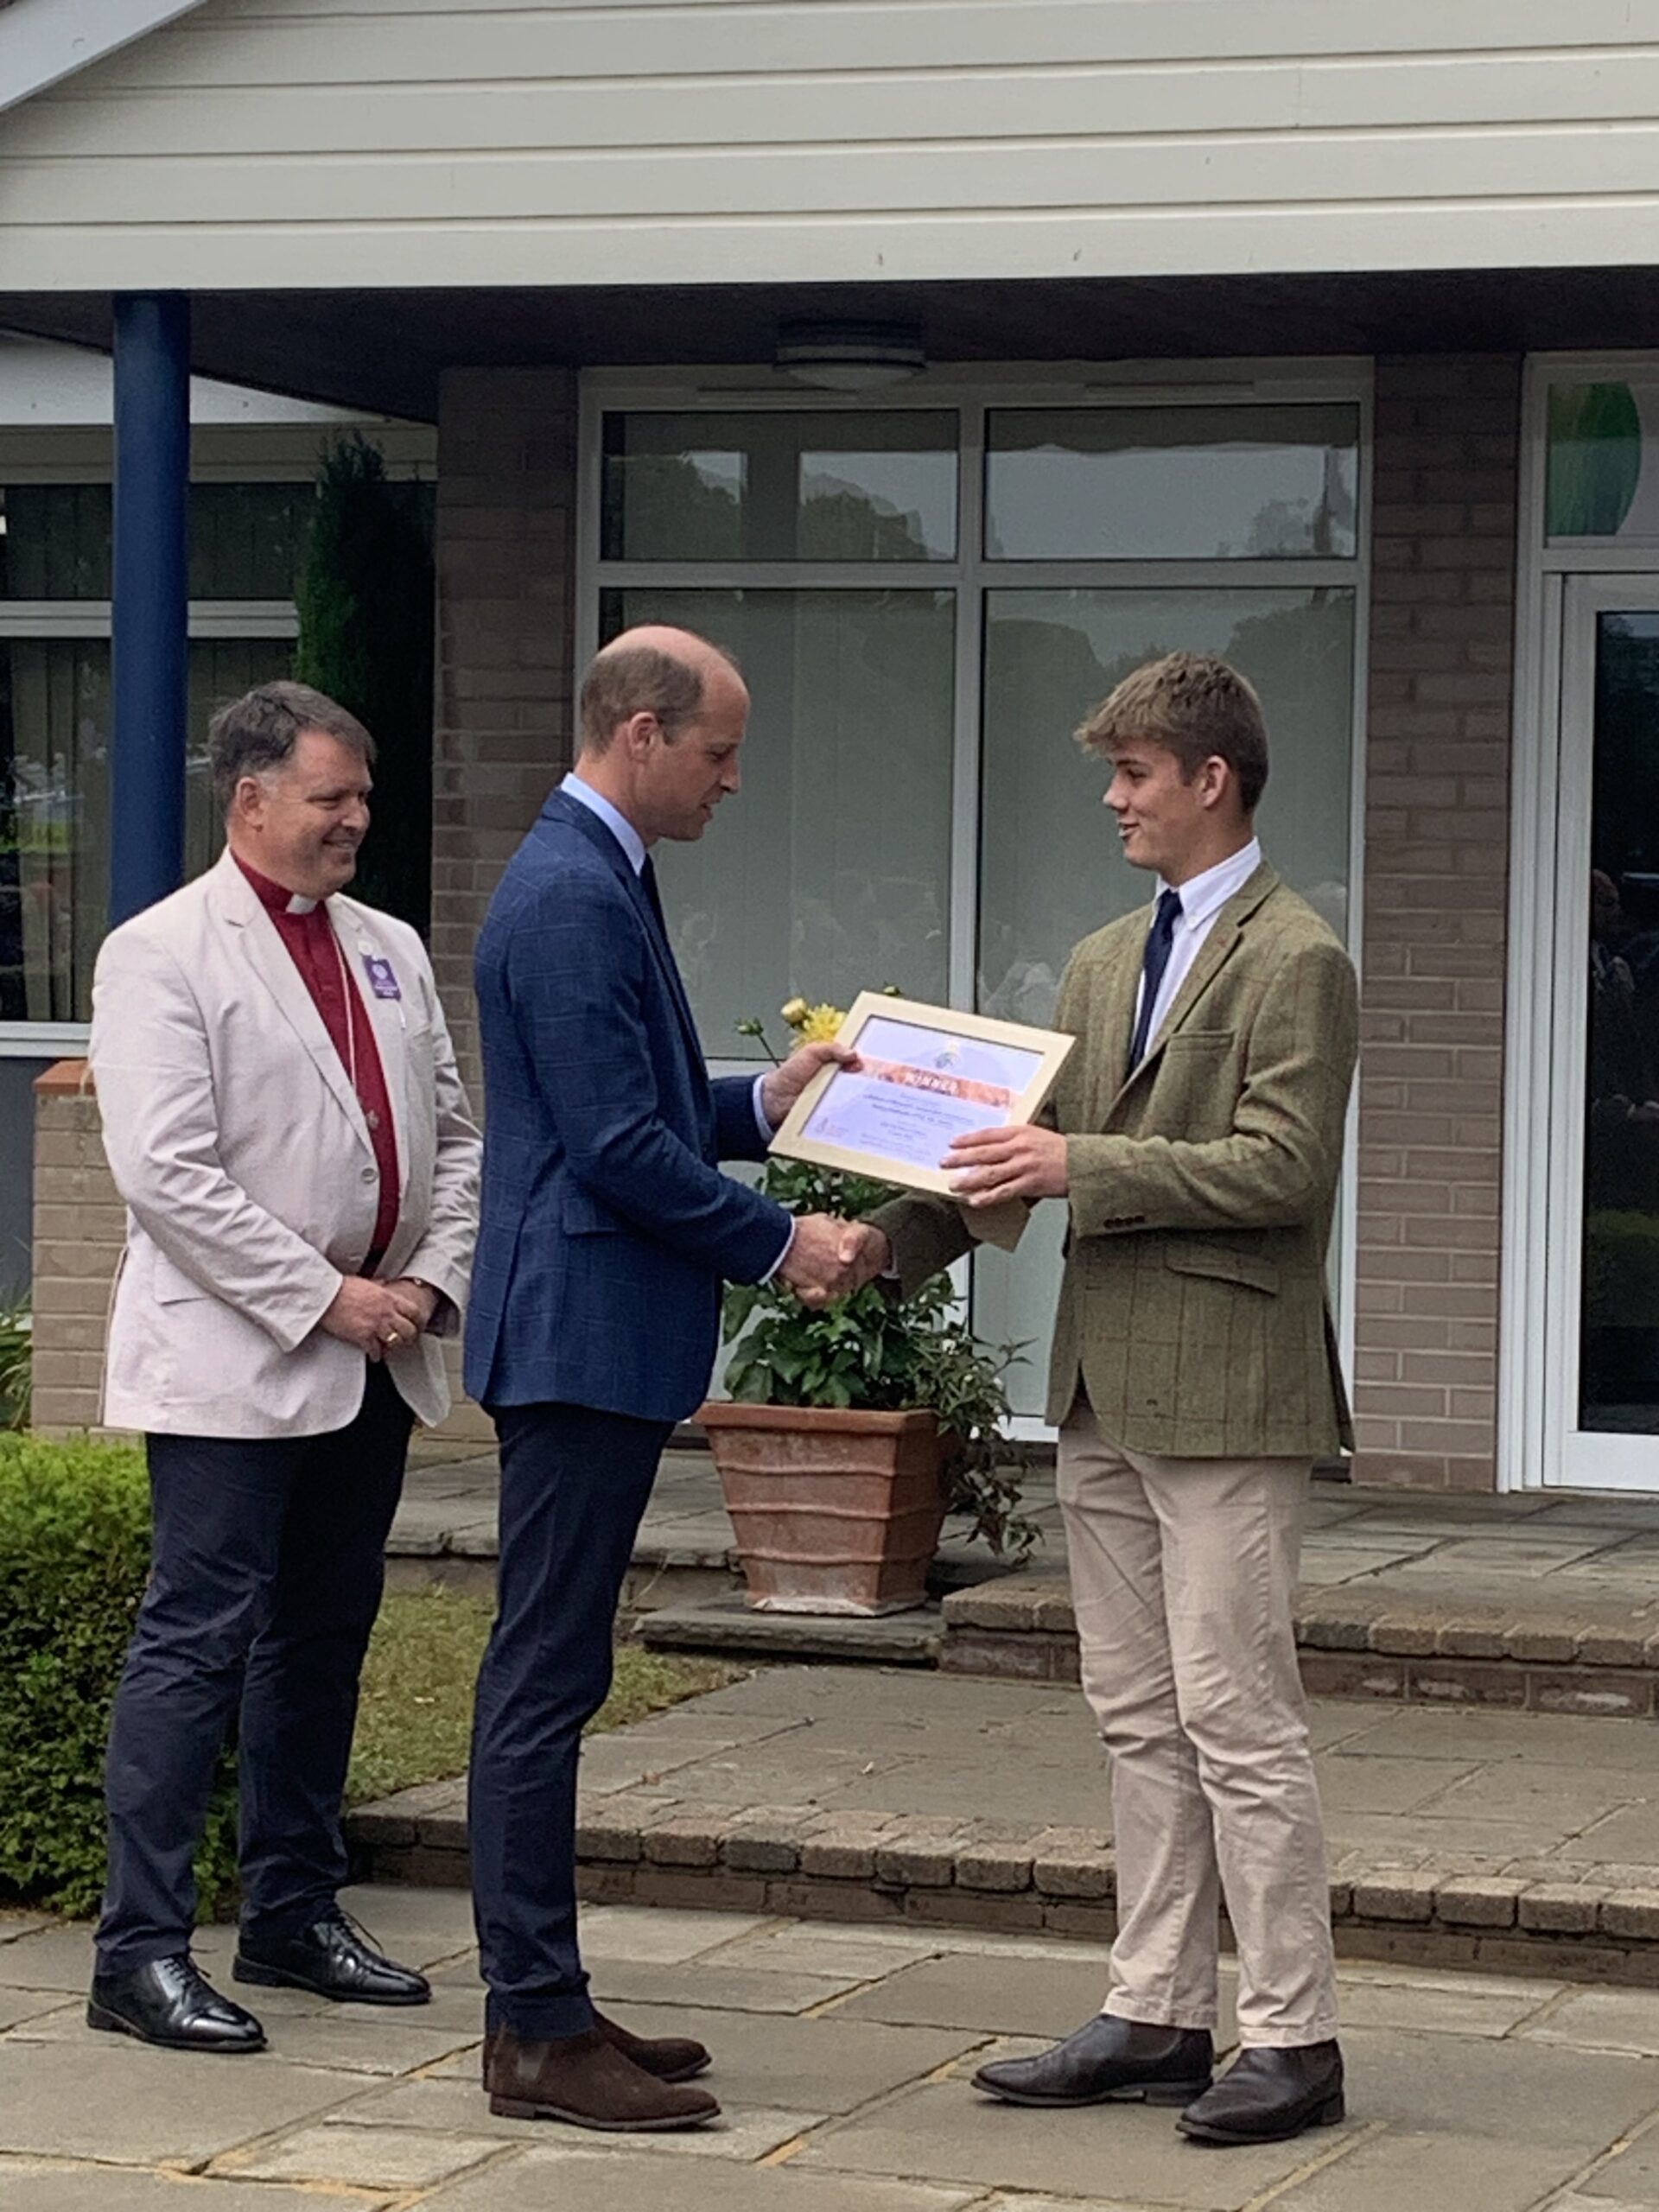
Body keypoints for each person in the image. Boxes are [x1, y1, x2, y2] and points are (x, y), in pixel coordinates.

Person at [870, 652, 1359, 2148]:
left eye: (1134, 775)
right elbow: (1025, 1144)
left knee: (1238, 1717)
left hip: (1229, 1393)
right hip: (1100, 1391)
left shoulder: (1300, 958)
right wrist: (857, 1253)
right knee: (1138, 1717)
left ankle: (1295, 2034)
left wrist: (1089, 1167)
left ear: (1212, 780)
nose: (1111, 801)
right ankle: (1156, 2011)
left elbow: (1285, 1174)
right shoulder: (1098, 958)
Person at [465, 626, 886, 2133]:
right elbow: (614, 1149)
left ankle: (553, 2005)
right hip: (577, 1334)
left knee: (556, 1673)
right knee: (543, 1679)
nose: (730, 781)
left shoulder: (598, 872)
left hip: (595, 1328)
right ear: (638, 734)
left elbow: (644, 1104)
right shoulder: (573, 889)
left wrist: (765, 1100)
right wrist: (786, 1249)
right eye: (717, 753)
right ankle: (529, 2032)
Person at [86, 682, 480, 2056]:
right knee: (198, 1643)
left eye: (362, 796)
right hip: (238, 1358)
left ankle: (293, 1912)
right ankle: (136, 1954)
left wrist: (426, 1283)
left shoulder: (388, 947)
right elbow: (167, 1177)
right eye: (333, 797)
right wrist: (327, 1297)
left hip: (378, 1353)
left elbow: (454, 1137)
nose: (357, 819)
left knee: (325, 1635)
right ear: (250, 800)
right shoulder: (160, 955)